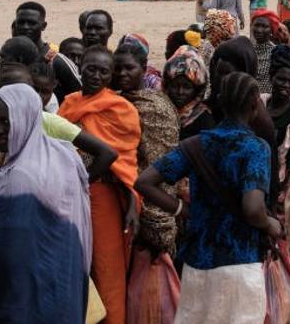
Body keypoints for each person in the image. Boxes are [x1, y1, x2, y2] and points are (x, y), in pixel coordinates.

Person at [135, 72, 280, 324]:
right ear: (255, 105)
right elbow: (253, 208)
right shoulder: (256, 147)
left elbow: (145, 182)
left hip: (198, 262)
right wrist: (272, 225)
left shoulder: (195, 144)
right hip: (240, 262)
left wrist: (180, 208)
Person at [0, 84, 92, 323]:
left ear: (27, 117)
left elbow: (4, 252)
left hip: (29, 294)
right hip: (64, 277)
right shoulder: (63, 153)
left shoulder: (19, 175)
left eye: (6, 121)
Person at [57, 47, 141, 324]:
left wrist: (132, 202)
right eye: (91, 68)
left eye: (103, 71)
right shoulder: (68, 103)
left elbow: (128, 160)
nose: (95, 75)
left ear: (110, 75)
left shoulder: (121, 108)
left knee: (107, 266)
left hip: (103, 195)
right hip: (66, 195)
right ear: (80, 66)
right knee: (72, 263)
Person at [113, 40, 181, 257]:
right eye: (118, 68)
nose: (122, 73)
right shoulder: (117, 101)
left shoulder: (155, 107)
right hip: (124, 195)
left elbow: (157, 163)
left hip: (152, 203)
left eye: (129, 68)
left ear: (143, 69)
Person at [164, 45, 214, 140]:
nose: (180, 92)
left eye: (187, 87)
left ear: (197, 89)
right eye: (175, 86)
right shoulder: (159, 112)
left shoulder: (204, 121)